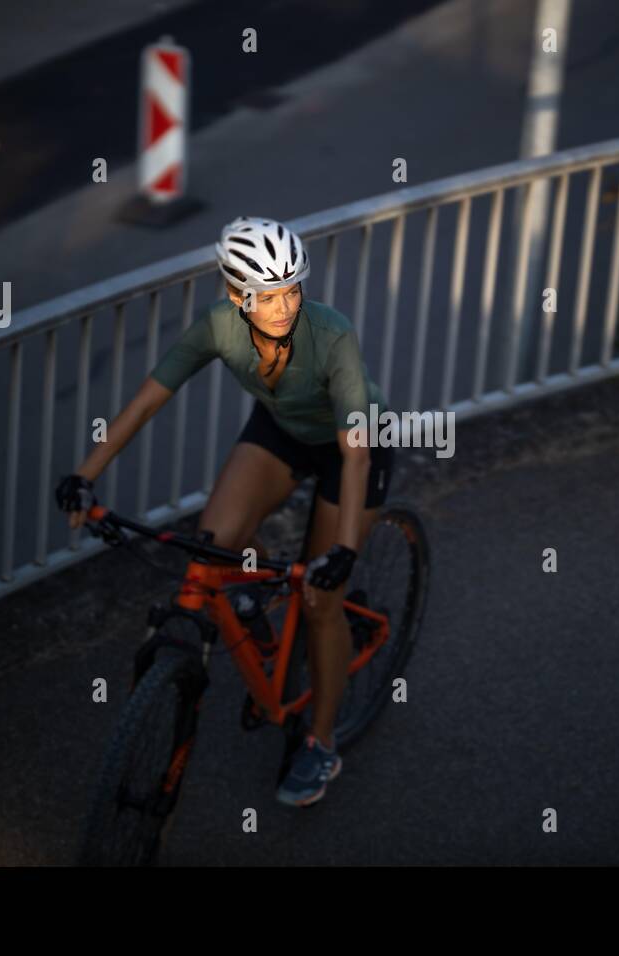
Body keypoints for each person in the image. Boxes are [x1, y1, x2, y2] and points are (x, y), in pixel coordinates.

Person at [54, 216, 392, 808]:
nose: (285, 306)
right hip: (283, 431)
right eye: (267, 296)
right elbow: (148, 398)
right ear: (237, 296)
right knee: (211, 544)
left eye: (293, 289)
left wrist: (342, 552)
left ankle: (320, 741)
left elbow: (355, 451)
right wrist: (87, 474)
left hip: (355, 446)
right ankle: (247, 607)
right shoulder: (218, 326)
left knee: (319, 598)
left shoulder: (331, 334)